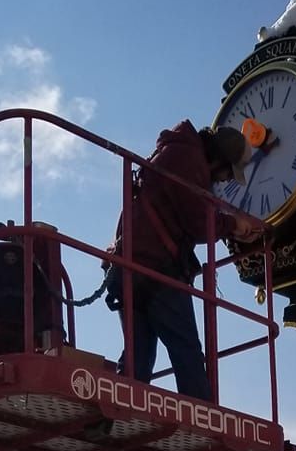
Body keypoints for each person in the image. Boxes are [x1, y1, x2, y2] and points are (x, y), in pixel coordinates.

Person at [106, 121, 261, 401]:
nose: (224, 180)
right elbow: (198, 222)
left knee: (138, 355)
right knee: (186, 349)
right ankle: (204, 423)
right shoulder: (187, 161)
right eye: (227, 172)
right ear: (217, 160)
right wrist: (232, 225)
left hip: (129, 265)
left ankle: (116, 413)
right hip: (156, 268)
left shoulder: (175, 153)